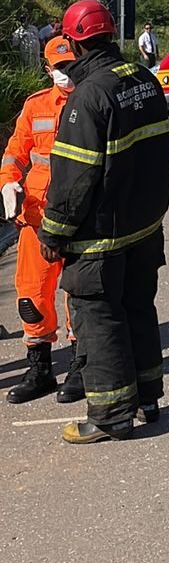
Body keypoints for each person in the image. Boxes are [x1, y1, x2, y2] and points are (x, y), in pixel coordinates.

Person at [37, 0, 169, 444]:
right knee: (138, 308)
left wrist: (53, 231)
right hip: (144, 227)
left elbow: (74, 178)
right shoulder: (144, 80)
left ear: (74, 42)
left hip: (102, 236)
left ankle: (111, 415)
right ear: (111, 34)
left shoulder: (88, 96)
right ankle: (148, 398)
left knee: (100, 320)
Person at [1, 37, 84, 404]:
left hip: (80, 219)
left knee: (80, 297)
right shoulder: (35, 106)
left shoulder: (91, 101)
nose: (65, 74)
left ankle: (82, 366)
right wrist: (7, 184)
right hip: (36, 218)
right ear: (47, 69)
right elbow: (15, 152)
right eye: (59, 68)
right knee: (32, 297)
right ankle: (40, 369)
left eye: (71, 66)